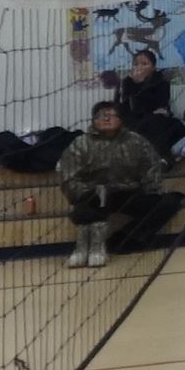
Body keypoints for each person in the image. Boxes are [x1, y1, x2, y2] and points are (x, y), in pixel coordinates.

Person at [58, 100, 168, 268]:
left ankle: (120, 241)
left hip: (128, 192)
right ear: (94, 120)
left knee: (164, 204)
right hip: (95, 193)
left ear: (121, 119)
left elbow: (151, 167)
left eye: (111, 115)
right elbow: (69, 178)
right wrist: (85, 192)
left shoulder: (136, 141)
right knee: (87, 206)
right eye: (102, 116)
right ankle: (86, 248)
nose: (107, 119)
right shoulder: (80, 144)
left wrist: (151, 189)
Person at [111, 46, 185, 153]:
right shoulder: (126, 83)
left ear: (153, 67)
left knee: (172, 124)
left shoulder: (161, 83)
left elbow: (161, 105)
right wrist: (137, 84)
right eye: (136, 64)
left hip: (154, 119)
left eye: (144, 64)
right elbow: (129, 108)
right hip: (131, 121)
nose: (139, 67)